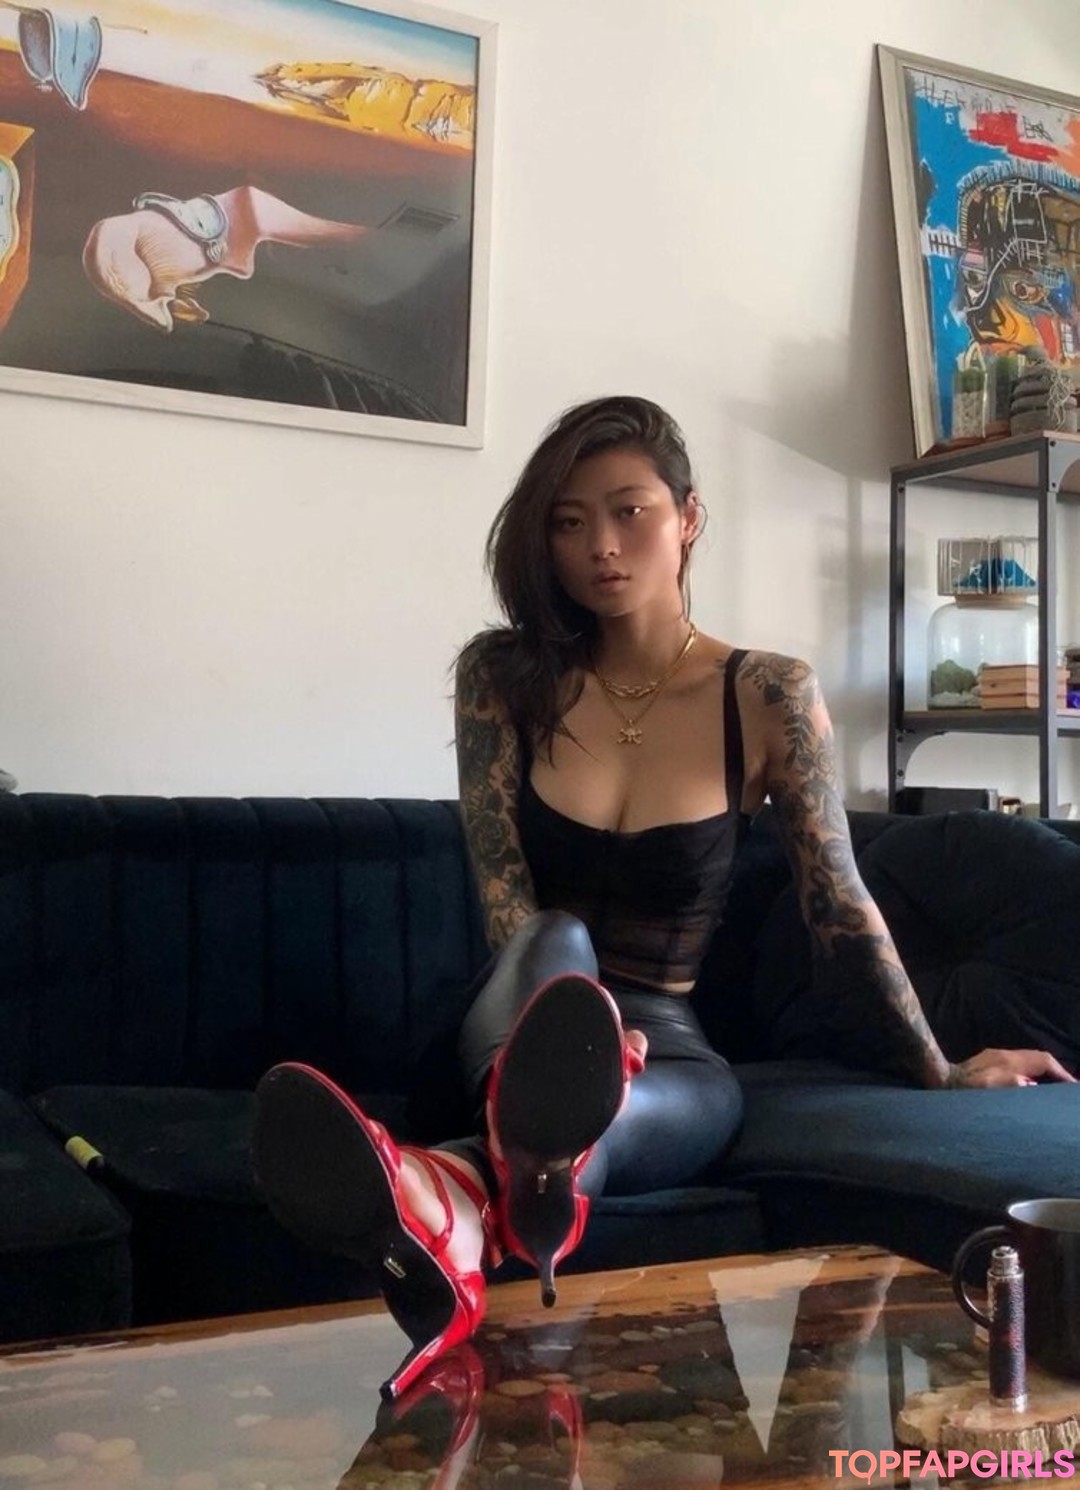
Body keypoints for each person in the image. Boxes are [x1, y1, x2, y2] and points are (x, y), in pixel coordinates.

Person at [252, 394, 1074, 1402]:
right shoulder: (504, 678)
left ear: (689, 517)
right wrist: (562, 1030)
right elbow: (505, 903)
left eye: (628, 511)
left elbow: (838, 904)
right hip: (518, 1013)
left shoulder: (766, 693)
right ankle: (537, 1095)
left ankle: (450, 1188)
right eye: (568, 522)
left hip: (666, 1040)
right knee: (555, 941)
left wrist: (938, 1069)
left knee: (670, 1106)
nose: (600, 545)